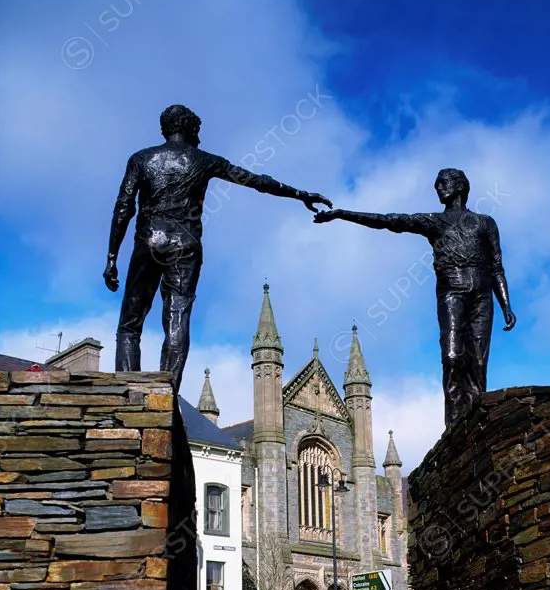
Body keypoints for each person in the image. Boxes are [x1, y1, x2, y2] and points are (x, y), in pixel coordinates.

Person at [104, 104, 332, 391]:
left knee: (129, 324)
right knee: (177, 315)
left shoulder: (141, 159)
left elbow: (123, 208)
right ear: (188, 128)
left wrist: (112, 257)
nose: (199, 137)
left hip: (148, 241)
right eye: (197, 130)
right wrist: (299, 194)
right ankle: (166, 393)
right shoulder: (204, 160)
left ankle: (127, 391)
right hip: (185, 246)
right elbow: (256, 181)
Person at [314, 168, 516, 428]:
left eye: (443, 183)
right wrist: (342, 214)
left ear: (460, 186)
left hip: (482, 297)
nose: (438, 188)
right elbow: (389, 220)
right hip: (451, 293)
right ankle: (455, 428)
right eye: (437, 185)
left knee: (477, 362)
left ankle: (476, 425)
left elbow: (497, 267)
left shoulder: (485, 223)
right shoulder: (434, 222)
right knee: (453, 357)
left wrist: (506, 306)